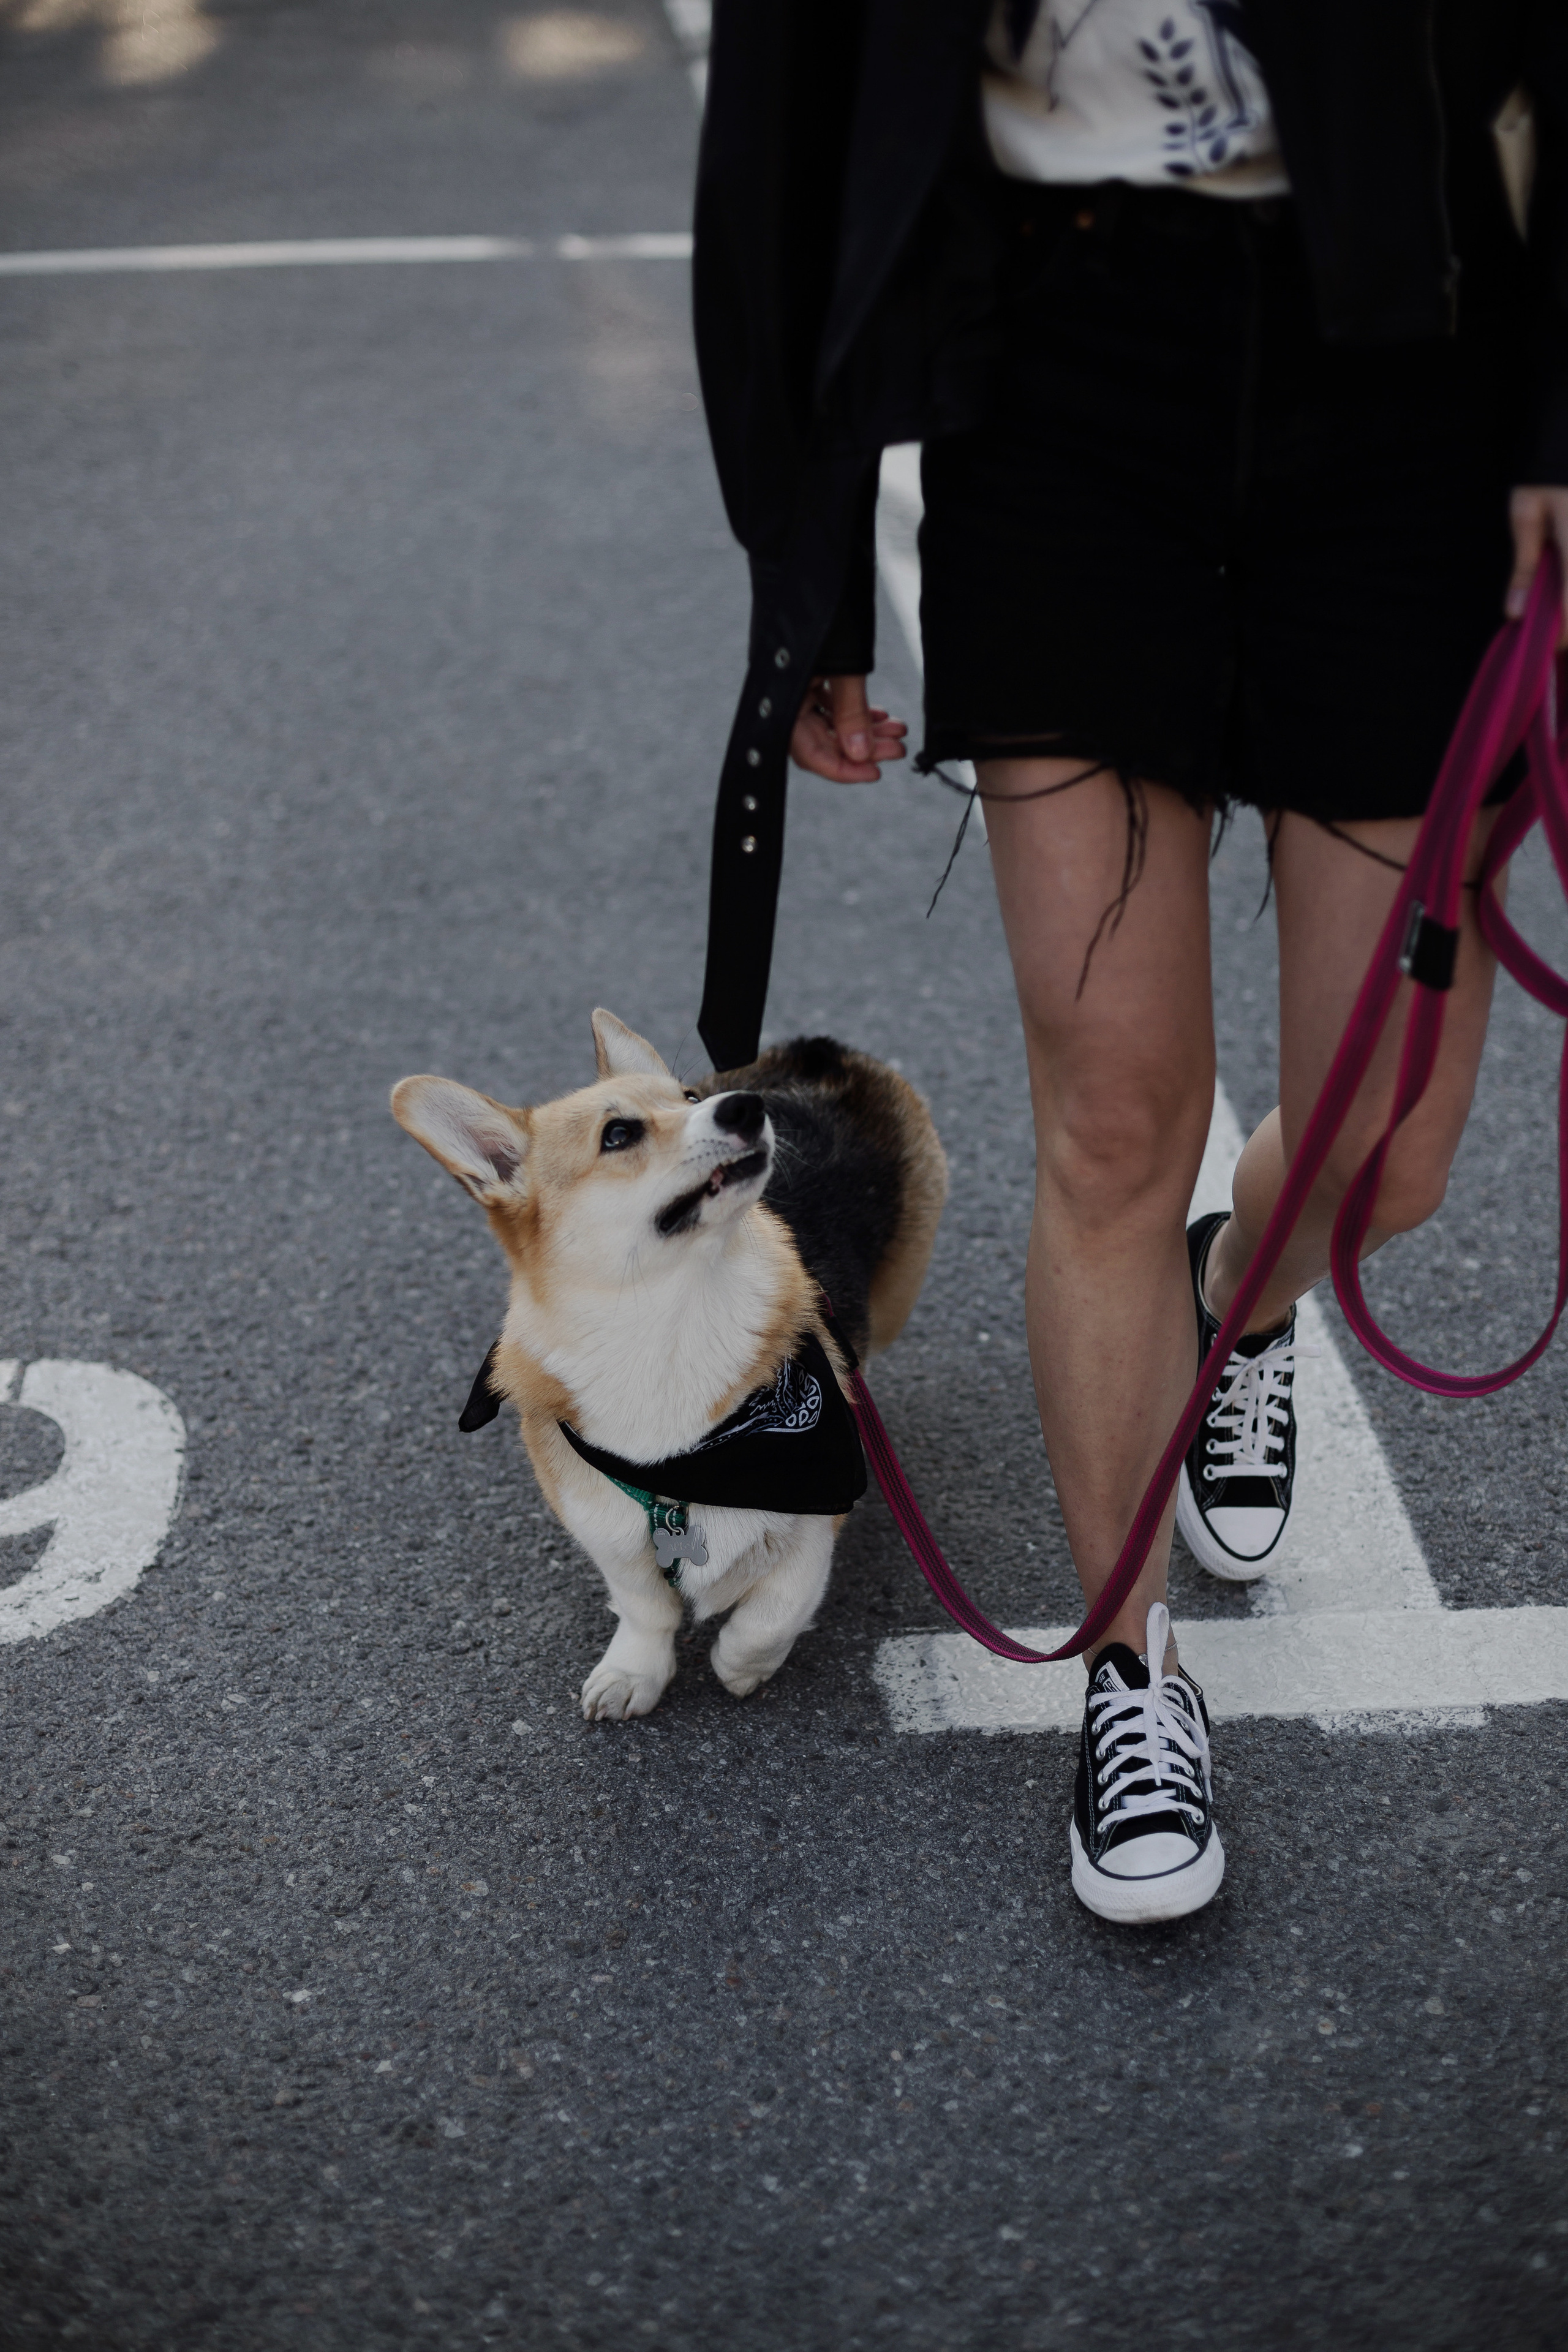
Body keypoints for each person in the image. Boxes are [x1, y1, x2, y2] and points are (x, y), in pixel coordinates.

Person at [691, 0, 1568, 1923]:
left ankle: (1236, 1306)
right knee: (1109, 1122)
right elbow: (789, 124)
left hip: (1402, 355)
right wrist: (810, 567)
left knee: (1391, 1137)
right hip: (1065, 379)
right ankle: (1126, 1675)